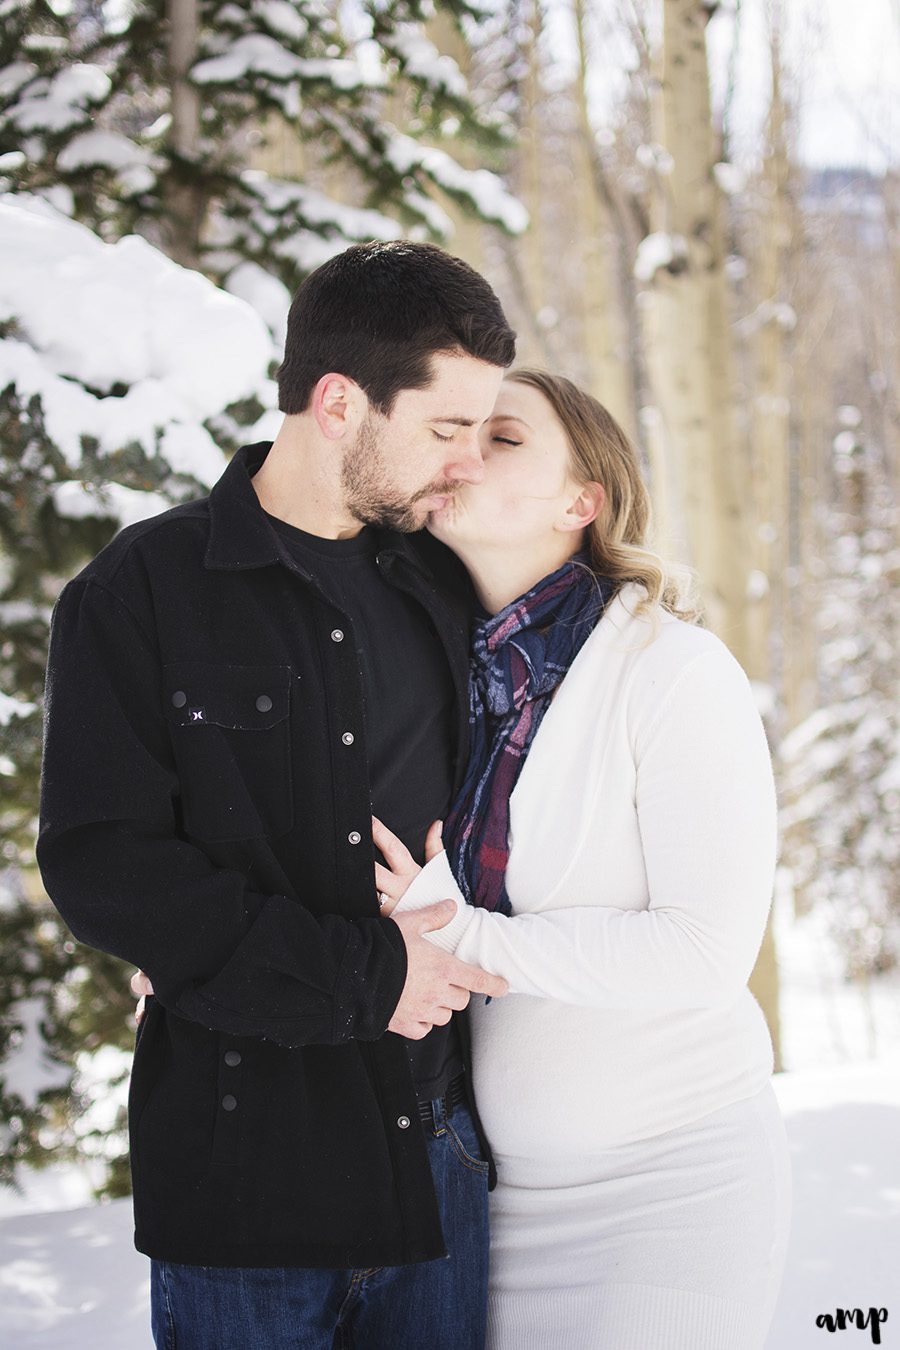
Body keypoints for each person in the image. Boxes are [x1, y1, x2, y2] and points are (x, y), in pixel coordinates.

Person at [35, 240, 517, 1350]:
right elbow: (106, 864)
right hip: (247, 1167)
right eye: (447, 430)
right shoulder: (141, 592)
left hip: (437, 1151)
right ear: (339, 402)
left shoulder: (444, 586)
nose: (467, 466)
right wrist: (364, 980)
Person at [371, 369, 793, 1349]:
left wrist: (470, 937)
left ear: (582, 502)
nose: (465, 447)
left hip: (674, 1194)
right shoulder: (439, 687)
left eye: (505, 436)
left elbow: (703, 953)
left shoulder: (672, 672)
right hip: (504, 1206)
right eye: (455, 429)